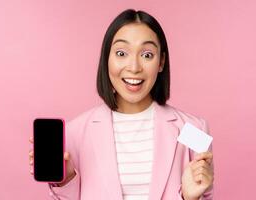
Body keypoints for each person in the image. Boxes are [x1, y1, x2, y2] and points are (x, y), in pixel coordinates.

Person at [29, 9, 214, 200]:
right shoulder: (74, 134)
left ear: (161, 62)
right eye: (121, 53)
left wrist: (189, 198)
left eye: (147, 55)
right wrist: (65, 181)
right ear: (106, 59)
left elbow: (206, 194)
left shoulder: (194, 130)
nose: (134, 67)